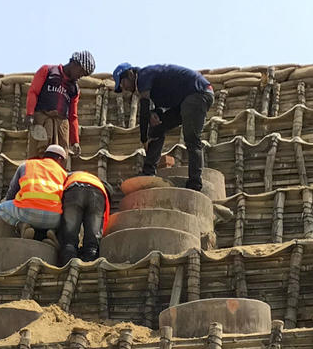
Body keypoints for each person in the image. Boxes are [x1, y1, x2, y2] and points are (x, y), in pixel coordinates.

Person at [113, 62, 214, 192]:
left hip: (198, 93)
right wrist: (155, 114)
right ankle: (148, 172)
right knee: (158, 127)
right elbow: (165, 102)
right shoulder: (150, 84)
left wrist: (144, 139)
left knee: (192, 139)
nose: (124, 88)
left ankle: (195, 183)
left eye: (122, 83)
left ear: (130, 74)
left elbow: (144, 110)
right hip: (184, 100)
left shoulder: (144, 75)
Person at [25, 51, 95, 159]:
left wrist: (75, 141)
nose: (80, 76)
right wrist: (30, 114)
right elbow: (33, 92)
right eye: (81, 72)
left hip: (61, 127)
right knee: (38, 155)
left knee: (60, 158)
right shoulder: (47, 71)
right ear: (75, 63)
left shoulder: (74, 89)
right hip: (42, 122)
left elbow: (73, 116)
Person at [0, 144, 69, 239]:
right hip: (54, 218)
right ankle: (51, 234)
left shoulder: (26, 165)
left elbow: (11, 193)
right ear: (59, 159)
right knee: (70, 217)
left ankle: (21, 226)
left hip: (27, 212)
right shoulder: (64, 174)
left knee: (1, 208)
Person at [57, 170, 112, 265]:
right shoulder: (97, 180)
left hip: (73, 189)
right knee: (92, 242)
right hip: (97, 193)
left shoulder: (68, 175)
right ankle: (90, 265)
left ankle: (68, 264)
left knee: (69, 238)